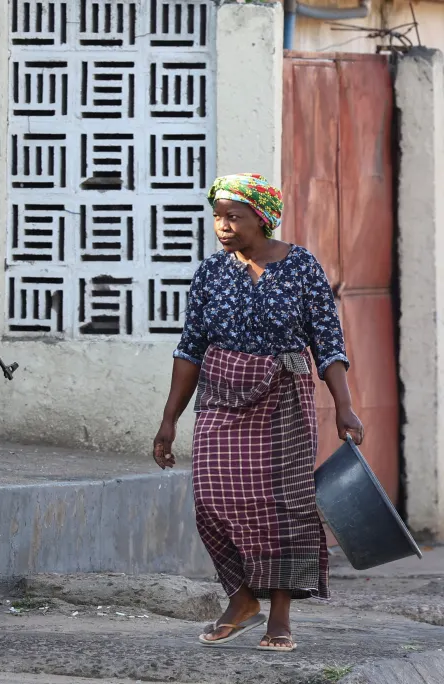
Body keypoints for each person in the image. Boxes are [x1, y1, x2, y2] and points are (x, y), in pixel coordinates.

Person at [152, 173, 364, 653]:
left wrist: (344, 407)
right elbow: (191, 348)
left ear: (262, 218)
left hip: (283, 400)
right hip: (222, 395)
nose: (222, 225)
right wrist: (170, 419)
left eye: (234, 216)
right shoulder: (211, 271)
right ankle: (242, 598)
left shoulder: (301, 266)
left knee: (281, 508)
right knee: (210, 499)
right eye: (218, 216)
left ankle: (280, 615)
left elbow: (328, 342)